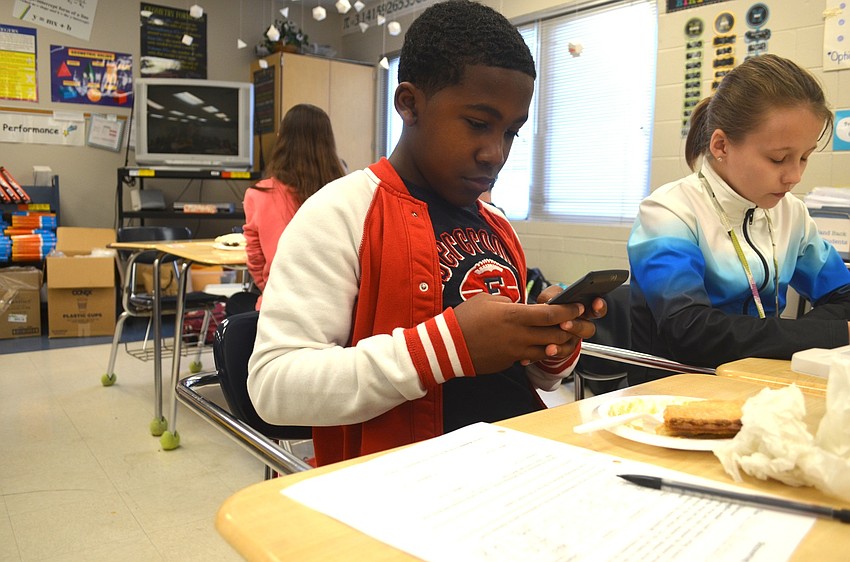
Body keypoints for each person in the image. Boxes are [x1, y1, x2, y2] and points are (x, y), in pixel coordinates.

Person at [248, 0, 605, 466]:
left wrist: (550, 345)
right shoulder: (339, 213)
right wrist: (447, 347)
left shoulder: (494, 223)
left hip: (519, 467)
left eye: (512, 132)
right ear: (409, 104)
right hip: (408, 491)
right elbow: (275, 386)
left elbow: (532, 381)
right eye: (478, 124)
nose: (495, 153)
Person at [627, 54, 850, 384]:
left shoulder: (792, 213)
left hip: (764, 382)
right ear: (721, 145)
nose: (794, 176)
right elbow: (691, 332)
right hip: (675, 390)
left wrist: (810, 335)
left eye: (804, 157)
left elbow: (843, 295)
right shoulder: (668, 212)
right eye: (778, 159)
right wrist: (825, 333)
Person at [241, 104, 345, 310]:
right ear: (328, 142)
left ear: (282, 139)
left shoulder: (259, 194)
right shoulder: (343, 191)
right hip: (338, 305)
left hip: (278, 306)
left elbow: (255, 258)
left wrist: (273, 288)